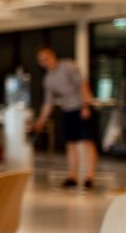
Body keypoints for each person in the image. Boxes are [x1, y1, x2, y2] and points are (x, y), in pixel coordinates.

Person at [34, 46, 98, 189]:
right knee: (70, 144)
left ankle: (89, 177)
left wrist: (86, 105)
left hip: (82, 107)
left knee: (87, 141)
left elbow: (83, 84)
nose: (45, 62)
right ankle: (72, 176)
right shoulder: (48, 79)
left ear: (52, 56)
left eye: (46, 58)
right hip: (68, 109)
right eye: (41, 60)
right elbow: (48, 103)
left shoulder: (68, 66)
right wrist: (40, 121)